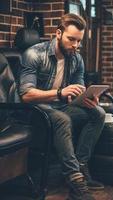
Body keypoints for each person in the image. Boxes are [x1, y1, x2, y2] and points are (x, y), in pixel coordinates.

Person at [18, 13, 105, 200]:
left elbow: (76, 92)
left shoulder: (76, 58)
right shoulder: (34, 54)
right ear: (58, 33)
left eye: (78, 41)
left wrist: (87, 99)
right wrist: (59, 93)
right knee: (62, 118)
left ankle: (80, 166)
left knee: (97, 113)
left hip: (61, 107)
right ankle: (76, 182)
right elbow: (26, 95)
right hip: (35, 110)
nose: (75, 45)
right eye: (71, 39)